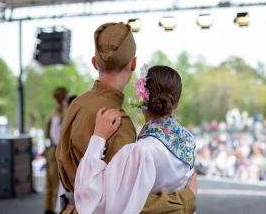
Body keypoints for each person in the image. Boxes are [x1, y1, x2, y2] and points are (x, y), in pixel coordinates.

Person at [56, 23, 196, 214]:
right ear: (133, 64)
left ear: (95, 63)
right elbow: (126, 203)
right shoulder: (117, 122)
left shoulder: (76, 105)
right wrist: (187, 199)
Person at [75, 65, 196, 214]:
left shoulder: (140, 151)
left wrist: (98, 138)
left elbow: (97, 203)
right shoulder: (189, 142)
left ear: (142, 99)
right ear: (176, 103)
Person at [43, 87, 68, 214]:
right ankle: (52, 209)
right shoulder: (59, 114)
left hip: (50, 150)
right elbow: (56, 135)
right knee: (55, 183)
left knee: (50, 183)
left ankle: (48, 208)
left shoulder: (54, 113)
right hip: (55, 150)